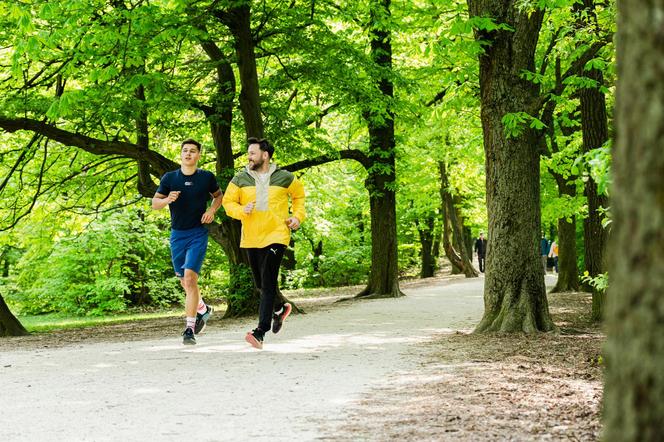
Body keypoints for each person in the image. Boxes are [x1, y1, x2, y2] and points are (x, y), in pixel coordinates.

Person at [222, 137, 305, 350]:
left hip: (277, 235)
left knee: (268, 280)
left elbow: (299, 197)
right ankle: (279, 308)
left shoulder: (285, 177)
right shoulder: (240, 179)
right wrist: (241, 211)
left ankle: (260, 332)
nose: (248, 157)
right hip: (251, 237)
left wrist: (297, 217)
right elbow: (227, 203)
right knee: (260, 284)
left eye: (252, 153)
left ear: (265, 155)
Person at [152, 139, 222, 345]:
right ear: (181, 155)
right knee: (184, 281)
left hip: (198, 233)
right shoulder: (170, 178)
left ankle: (189, 329)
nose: (188, 154)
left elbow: (218, 196)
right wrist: (167, 200)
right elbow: (155, 203)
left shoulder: (206, 177)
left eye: (193, 151)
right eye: (185, 151)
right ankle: (203, 308)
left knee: (191, 279)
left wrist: (211, 210)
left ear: (199, 155)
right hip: (177, 235)